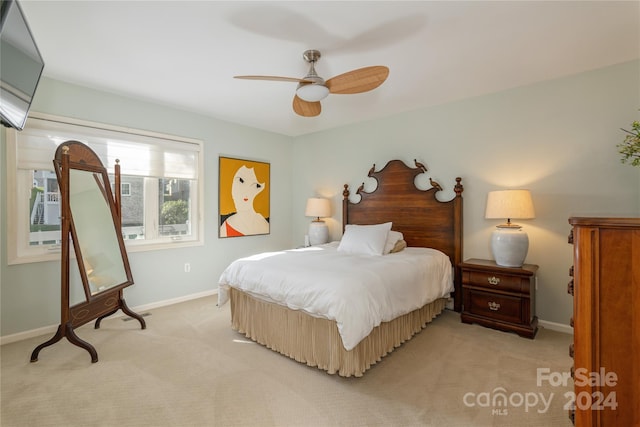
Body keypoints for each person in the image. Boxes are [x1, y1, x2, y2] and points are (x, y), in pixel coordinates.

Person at [219, 165, 269, 237]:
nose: (246, 191)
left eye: (256, 186)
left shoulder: (262, 223)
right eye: (241, 180)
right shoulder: (226, 226)